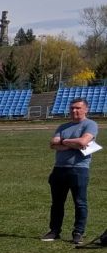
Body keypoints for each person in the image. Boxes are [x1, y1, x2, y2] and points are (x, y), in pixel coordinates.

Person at [43, 97, 98, 245]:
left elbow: (83, 142)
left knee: (80, 202)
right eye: (72, 108)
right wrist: (72, 144)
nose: (74, 110)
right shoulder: (63, 126)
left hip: (79, 169)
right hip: (59, 169)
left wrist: (65, 142)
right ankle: (54, 231)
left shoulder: (90, 124)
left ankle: (78, 232)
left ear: (86, 109)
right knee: (57, 203)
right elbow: (52, 144)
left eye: (78, 108)